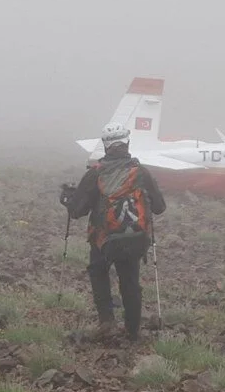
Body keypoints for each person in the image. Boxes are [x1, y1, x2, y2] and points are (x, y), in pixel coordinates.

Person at [61, 122, 166, 342]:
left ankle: (107, 322)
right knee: (130, 280)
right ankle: (133, 331)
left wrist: (68, 198)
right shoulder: (141, 173)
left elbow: (77, 211)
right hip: (135, 237)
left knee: (98, 272)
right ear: (127, 142)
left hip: (103, 239)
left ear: (105, 145)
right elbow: (159, 207)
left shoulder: (95, 174)